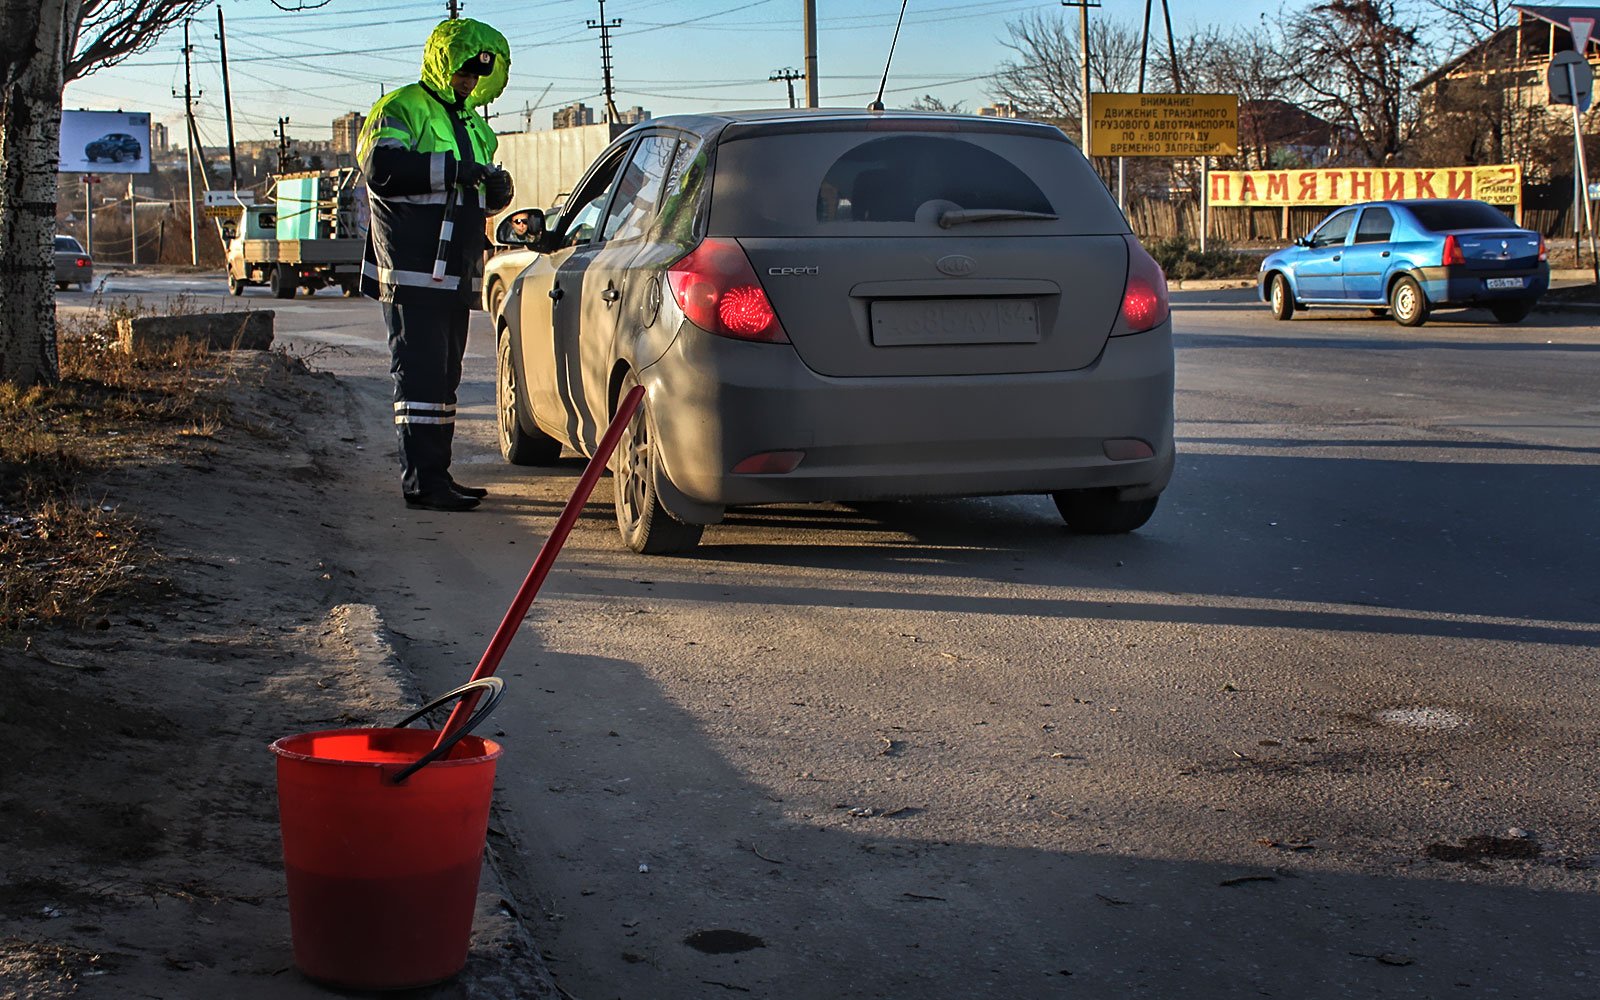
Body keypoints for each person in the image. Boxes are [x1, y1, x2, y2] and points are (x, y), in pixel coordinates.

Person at [357, 18, 515, 512]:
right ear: (444, 65)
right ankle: (423, 482)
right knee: (420, 378)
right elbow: (382, 169)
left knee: (444, 378)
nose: (468, 82)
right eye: (462, 72)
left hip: (453, 270)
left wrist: (497, 192)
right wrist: (457, 171)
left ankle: (436, 475)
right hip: (413, 267)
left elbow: (471, 196)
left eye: (475, 76)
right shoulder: (401, 107)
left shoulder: (473, 124)